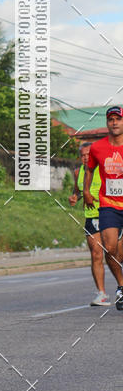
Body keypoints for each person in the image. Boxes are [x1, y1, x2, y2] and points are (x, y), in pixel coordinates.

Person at [84, 106, 123, 310]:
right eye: (111, 119)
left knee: (121, 253)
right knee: (110, 248)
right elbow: (89, 170)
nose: (114, 122)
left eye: (118, 119)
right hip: (108, 204)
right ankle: (121, 287)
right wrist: (86, 191)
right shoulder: (98, 148)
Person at [69, 142, 108, 306]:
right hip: (92, 216)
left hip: (110, 213)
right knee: (96, 254)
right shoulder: (78, 172)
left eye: (88, 154)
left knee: (116, 254)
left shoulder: (104, 168)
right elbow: (77, 191)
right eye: (83, 155)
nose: (85, 158)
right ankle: (101, 294)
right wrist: (74, 197)